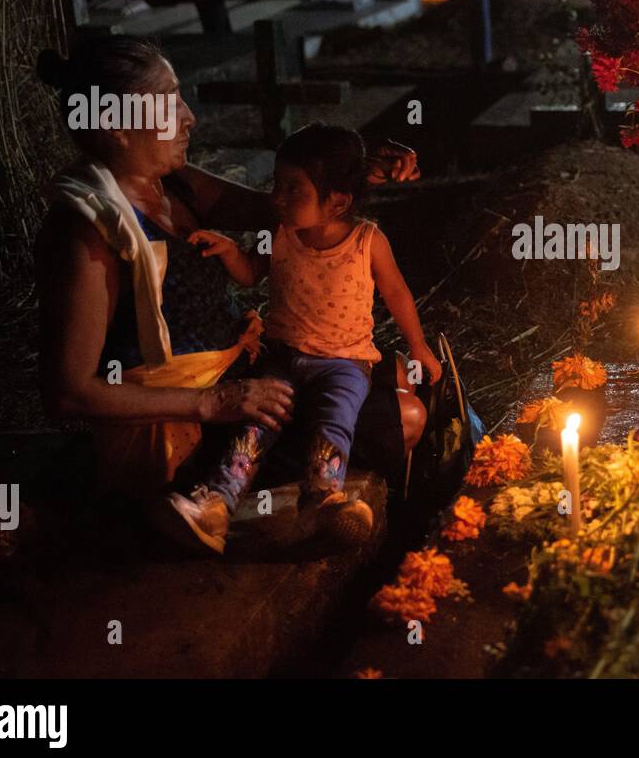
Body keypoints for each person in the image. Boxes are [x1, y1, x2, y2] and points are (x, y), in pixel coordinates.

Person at [34, 37, 425, 512]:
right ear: (118, 125)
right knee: (404, 414)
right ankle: (242, 509)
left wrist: (349, 176)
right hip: (187, 421)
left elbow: (283, 209)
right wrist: (215, 403)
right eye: (169, 100)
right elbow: (69, 393)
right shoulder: (88, 228)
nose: (188, 116)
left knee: (401, 374)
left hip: (250, 378)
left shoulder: (173, 183)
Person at [159, 124, 441, 553]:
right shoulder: (280, 232)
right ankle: (216, 503)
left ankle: (323, 498)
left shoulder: (367, 241)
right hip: (283, 357)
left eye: (293, 190)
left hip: (344, 363)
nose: (277, 198)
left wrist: (418, 347)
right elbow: (252, 273)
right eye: (277, 184)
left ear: (339, 201)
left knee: (334, 422)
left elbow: (397, 293)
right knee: (257, 425)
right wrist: (231, 252)